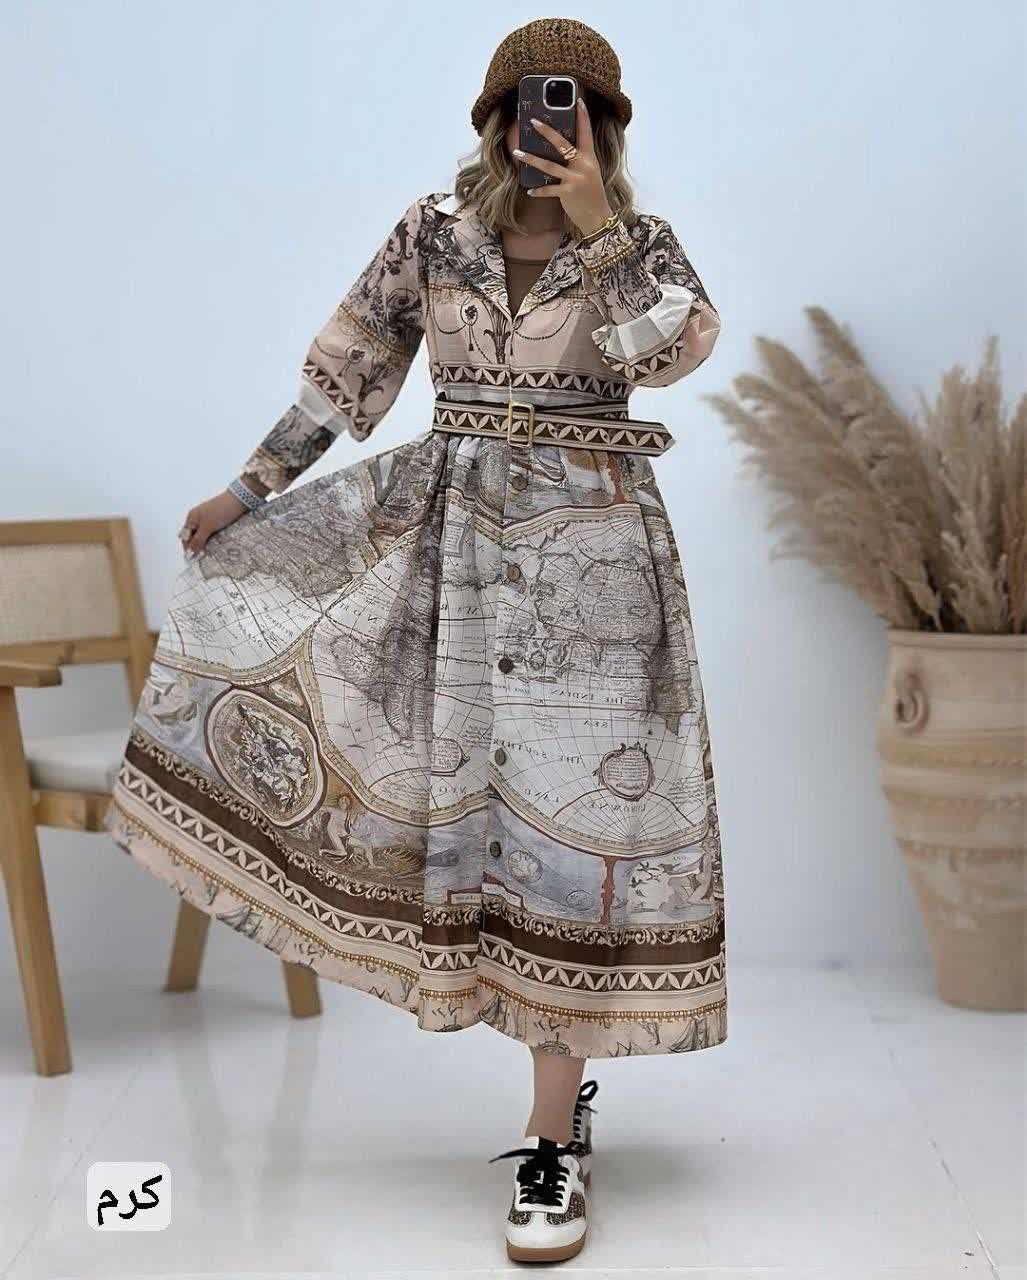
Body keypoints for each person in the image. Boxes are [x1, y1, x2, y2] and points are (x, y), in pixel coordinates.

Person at [106, 17, 725, 1264]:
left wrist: (598, 222)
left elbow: (670, 354)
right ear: (492, 118)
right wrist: (249, 487)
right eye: (528, 104)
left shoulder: (640, 244)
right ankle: (550, 1105)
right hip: (446, 551)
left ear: (607, 128)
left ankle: (550, 1134)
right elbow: (350, 364)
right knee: (463, 812)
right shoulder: (432, 233)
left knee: (574, 838)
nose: (546, 126)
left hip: (597, 572)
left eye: (578, 108)